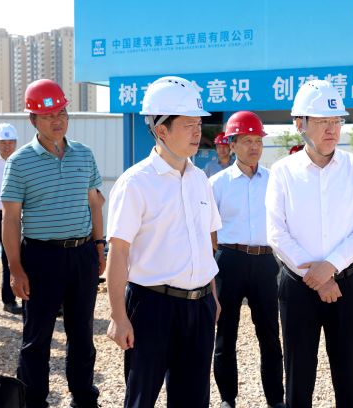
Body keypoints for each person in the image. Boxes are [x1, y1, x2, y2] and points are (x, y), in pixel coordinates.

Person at [105, 76, 221, 408]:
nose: (197, 132)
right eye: (188, 125)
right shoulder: (136, 183)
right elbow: (119, 252)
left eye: (198, 124)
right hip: (152, 306)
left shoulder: (200, 180)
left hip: (199, 306)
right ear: (161, 130)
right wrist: (118, 315)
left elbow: (206, 244)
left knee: (193, 400)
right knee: (142, 398)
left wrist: (212, 297)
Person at [265, 80, 353, 407]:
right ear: (299, 123)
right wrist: (316, 277)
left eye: (336, 120)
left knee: (350, 376)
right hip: (298, 287)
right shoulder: (282, 172)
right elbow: (277, 232)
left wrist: (330, 267)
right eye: (322, 121)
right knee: (298, 377)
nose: (332, 129)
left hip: (347, 285)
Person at [2, 79, 104, 408]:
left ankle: (84, 397)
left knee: (82, 332)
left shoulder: (84, 155)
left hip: (82, 254)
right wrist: (15, 268)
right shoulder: (19, 162)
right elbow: (11, 219)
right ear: (33, 119)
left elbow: (95, 203)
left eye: (61, 113)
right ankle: (34, 401)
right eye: (48, 116)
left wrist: (99, 246)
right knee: (37, 336)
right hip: (41, 258)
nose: (57, 120)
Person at [210, 111, 285, 408]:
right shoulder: (217, 183)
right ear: (232, 144)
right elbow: (209, 230)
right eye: (247, 141)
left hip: (265, 262)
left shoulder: (274, 180)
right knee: (225, 334)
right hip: (229, 261)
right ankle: (227, 398)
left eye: (258, 141)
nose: (254, 147)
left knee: (269, 334)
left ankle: (276, 399)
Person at [0, 123, 20, 315]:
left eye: (10, 142)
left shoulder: (20, 163)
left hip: (13, 216)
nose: (7, 146)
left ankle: (9, 301)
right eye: (3, 142)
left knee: (10, 259)